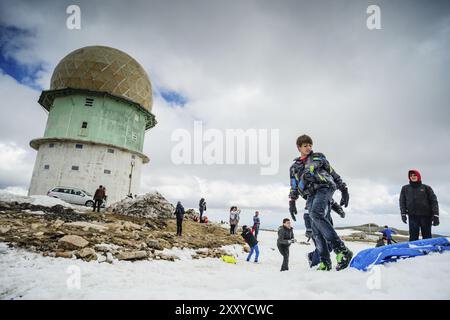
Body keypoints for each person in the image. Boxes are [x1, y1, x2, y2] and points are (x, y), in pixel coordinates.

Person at [289, 134, 352, 271]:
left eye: (310, 145)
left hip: (325, 187)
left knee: (316, 214)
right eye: (305, 145)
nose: (308, 147)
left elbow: (332, 173)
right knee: (315, 229)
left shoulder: (318, 157)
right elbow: (294, 186)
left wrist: (344, 189)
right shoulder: (294, 167)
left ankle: (342, 251)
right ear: (299, 147)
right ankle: (325, 262)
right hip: (310, 194)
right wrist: (292, 202)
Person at [400, 170, 439, 241]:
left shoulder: (426, 188)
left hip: (426, 216)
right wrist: (403, 214)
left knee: (427, 237)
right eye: (411, 176)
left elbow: (434, 201)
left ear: (418, 176)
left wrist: (436, 215)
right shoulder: (405, 188)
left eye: (414, 175)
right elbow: (402, 202)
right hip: (413, 216)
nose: (413, 177)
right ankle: (413, 251)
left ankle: (428, 251)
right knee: (413, 237)